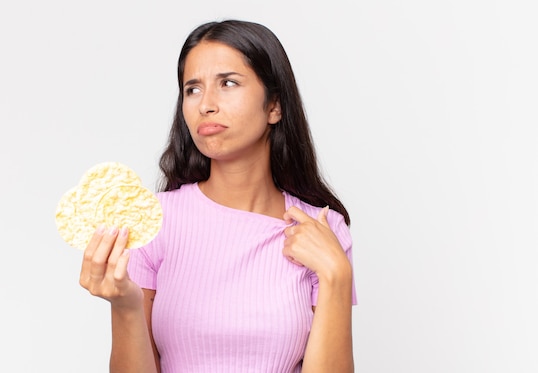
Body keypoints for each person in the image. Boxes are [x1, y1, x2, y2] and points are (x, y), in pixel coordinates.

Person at [79, 19, 357, 373]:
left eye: (228, 83)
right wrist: (125, 306)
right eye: (192, 89)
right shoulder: (153, 222)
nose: (205, 104)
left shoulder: (323, 230)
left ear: (274, 106)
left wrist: (336, 275)